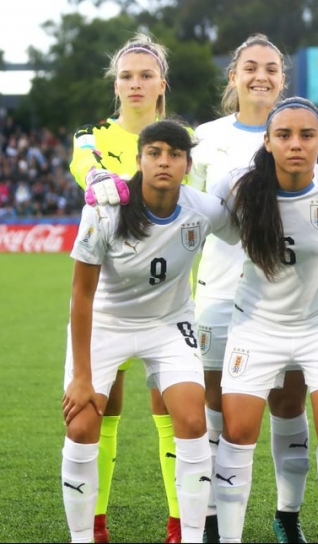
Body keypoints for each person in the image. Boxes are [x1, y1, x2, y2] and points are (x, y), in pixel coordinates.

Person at [211, 97, 318, 544]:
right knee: (238, 431)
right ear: (266, 142)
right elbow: (195, 215)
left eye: (307, 135)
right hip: (257, 325)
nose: (296, 144)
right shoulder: (237, 187)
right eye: (283, 135)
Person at [61, 120, 233, 544]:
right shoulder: (104, 209)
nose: (164, 162)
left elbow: (250, 234)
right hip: (106, 322)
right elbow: (81, 296)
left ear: (187, 165)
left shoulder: (204, 209)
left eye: (174, 155)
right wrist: (81, 378)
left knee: (193, 420)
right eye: (154, 153)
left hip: (169, 325)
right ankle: (83, 537)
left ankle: (191, 535)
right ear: (138, 160)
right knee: (81, 427)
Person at [189, 33, 310, 544]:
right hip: (220, 294)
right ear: (234, 76)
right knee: (217, 413)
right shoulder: (206, 138)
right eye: (251, 67)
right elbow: (187, 218)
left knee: (287, 405)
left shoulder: (303, 131)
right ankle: (214, 521)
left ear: (284, 79)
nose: (261, 76)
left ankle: (287, 518)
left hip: (289, 299)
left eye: (272, 69)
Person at [67, 32, 184, 543]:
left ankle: (181, 522)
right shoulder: (90, 137)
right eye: (126, 76)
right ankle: (95, 524)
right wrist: (99, 179)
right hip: (109, 300)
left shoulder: (183, 139)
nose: (135, 84)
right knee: (99, 407)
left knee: (172, 412)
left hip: (169, 300)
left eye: (145, 75)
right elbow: (86, 168)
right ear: (115, 85)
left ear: (163, 83)